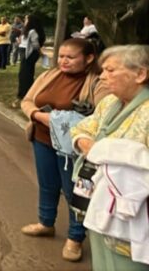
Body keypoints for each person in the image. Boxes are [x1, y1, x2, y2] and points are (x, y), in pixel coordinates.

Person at [19, 38, 108, 262]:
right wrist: (39, 116)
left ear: (89, 58)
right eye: (61, 56)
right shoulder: (50, 75)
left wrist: (67, 124)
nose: (63, 61)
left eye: (70, 57)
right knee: (47, 185)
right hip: (42, 139)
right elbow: (28, 100)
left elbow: (103, 117)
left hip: (73, 150)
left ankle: (76, 237)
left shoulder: (98, 83)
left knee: (74, 192)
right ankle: (45, 222)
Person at [70, 45, 149, 269]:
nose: (103, 77)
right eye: (103, 70)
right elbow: (81, 129)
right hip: (98, 205)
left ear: (140, 74)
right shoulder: (108, 103)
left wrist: (106, 152)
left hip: (132, 220)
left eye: (111, 70)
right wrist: (93, 148)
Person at [17, 15, 46, 102]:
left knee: (25, 74)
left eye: (26, 19)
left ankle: (25, 93)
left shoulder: (32, 31)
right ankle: (24, 92)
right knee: (24, 73)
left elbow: (35, 44)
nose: (25, 21)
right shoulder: (26, 30)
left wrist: (39, 52)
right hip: (23, 51)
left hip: (29, 54)